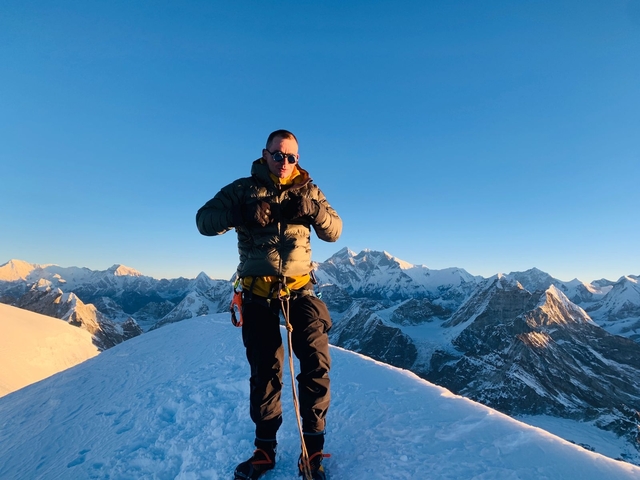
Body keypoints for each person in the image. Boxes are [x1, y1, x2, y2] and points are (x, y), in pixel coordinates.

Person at [196, 129, 342, 480]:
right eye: (278, 154)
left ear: (298, 160)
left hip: (300, 289)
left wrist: (314, 211)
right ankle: (265, 450)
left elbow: (334, 229)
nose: (284, 162)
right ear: (265, 154)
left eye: (291, 157)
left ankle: (313, 451)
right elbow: (204, 221)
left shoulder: (309, 190)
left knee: (316, 364)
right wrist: (243, 213)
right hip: (258, 292)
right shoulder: (242, 190)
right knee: (266, 371)